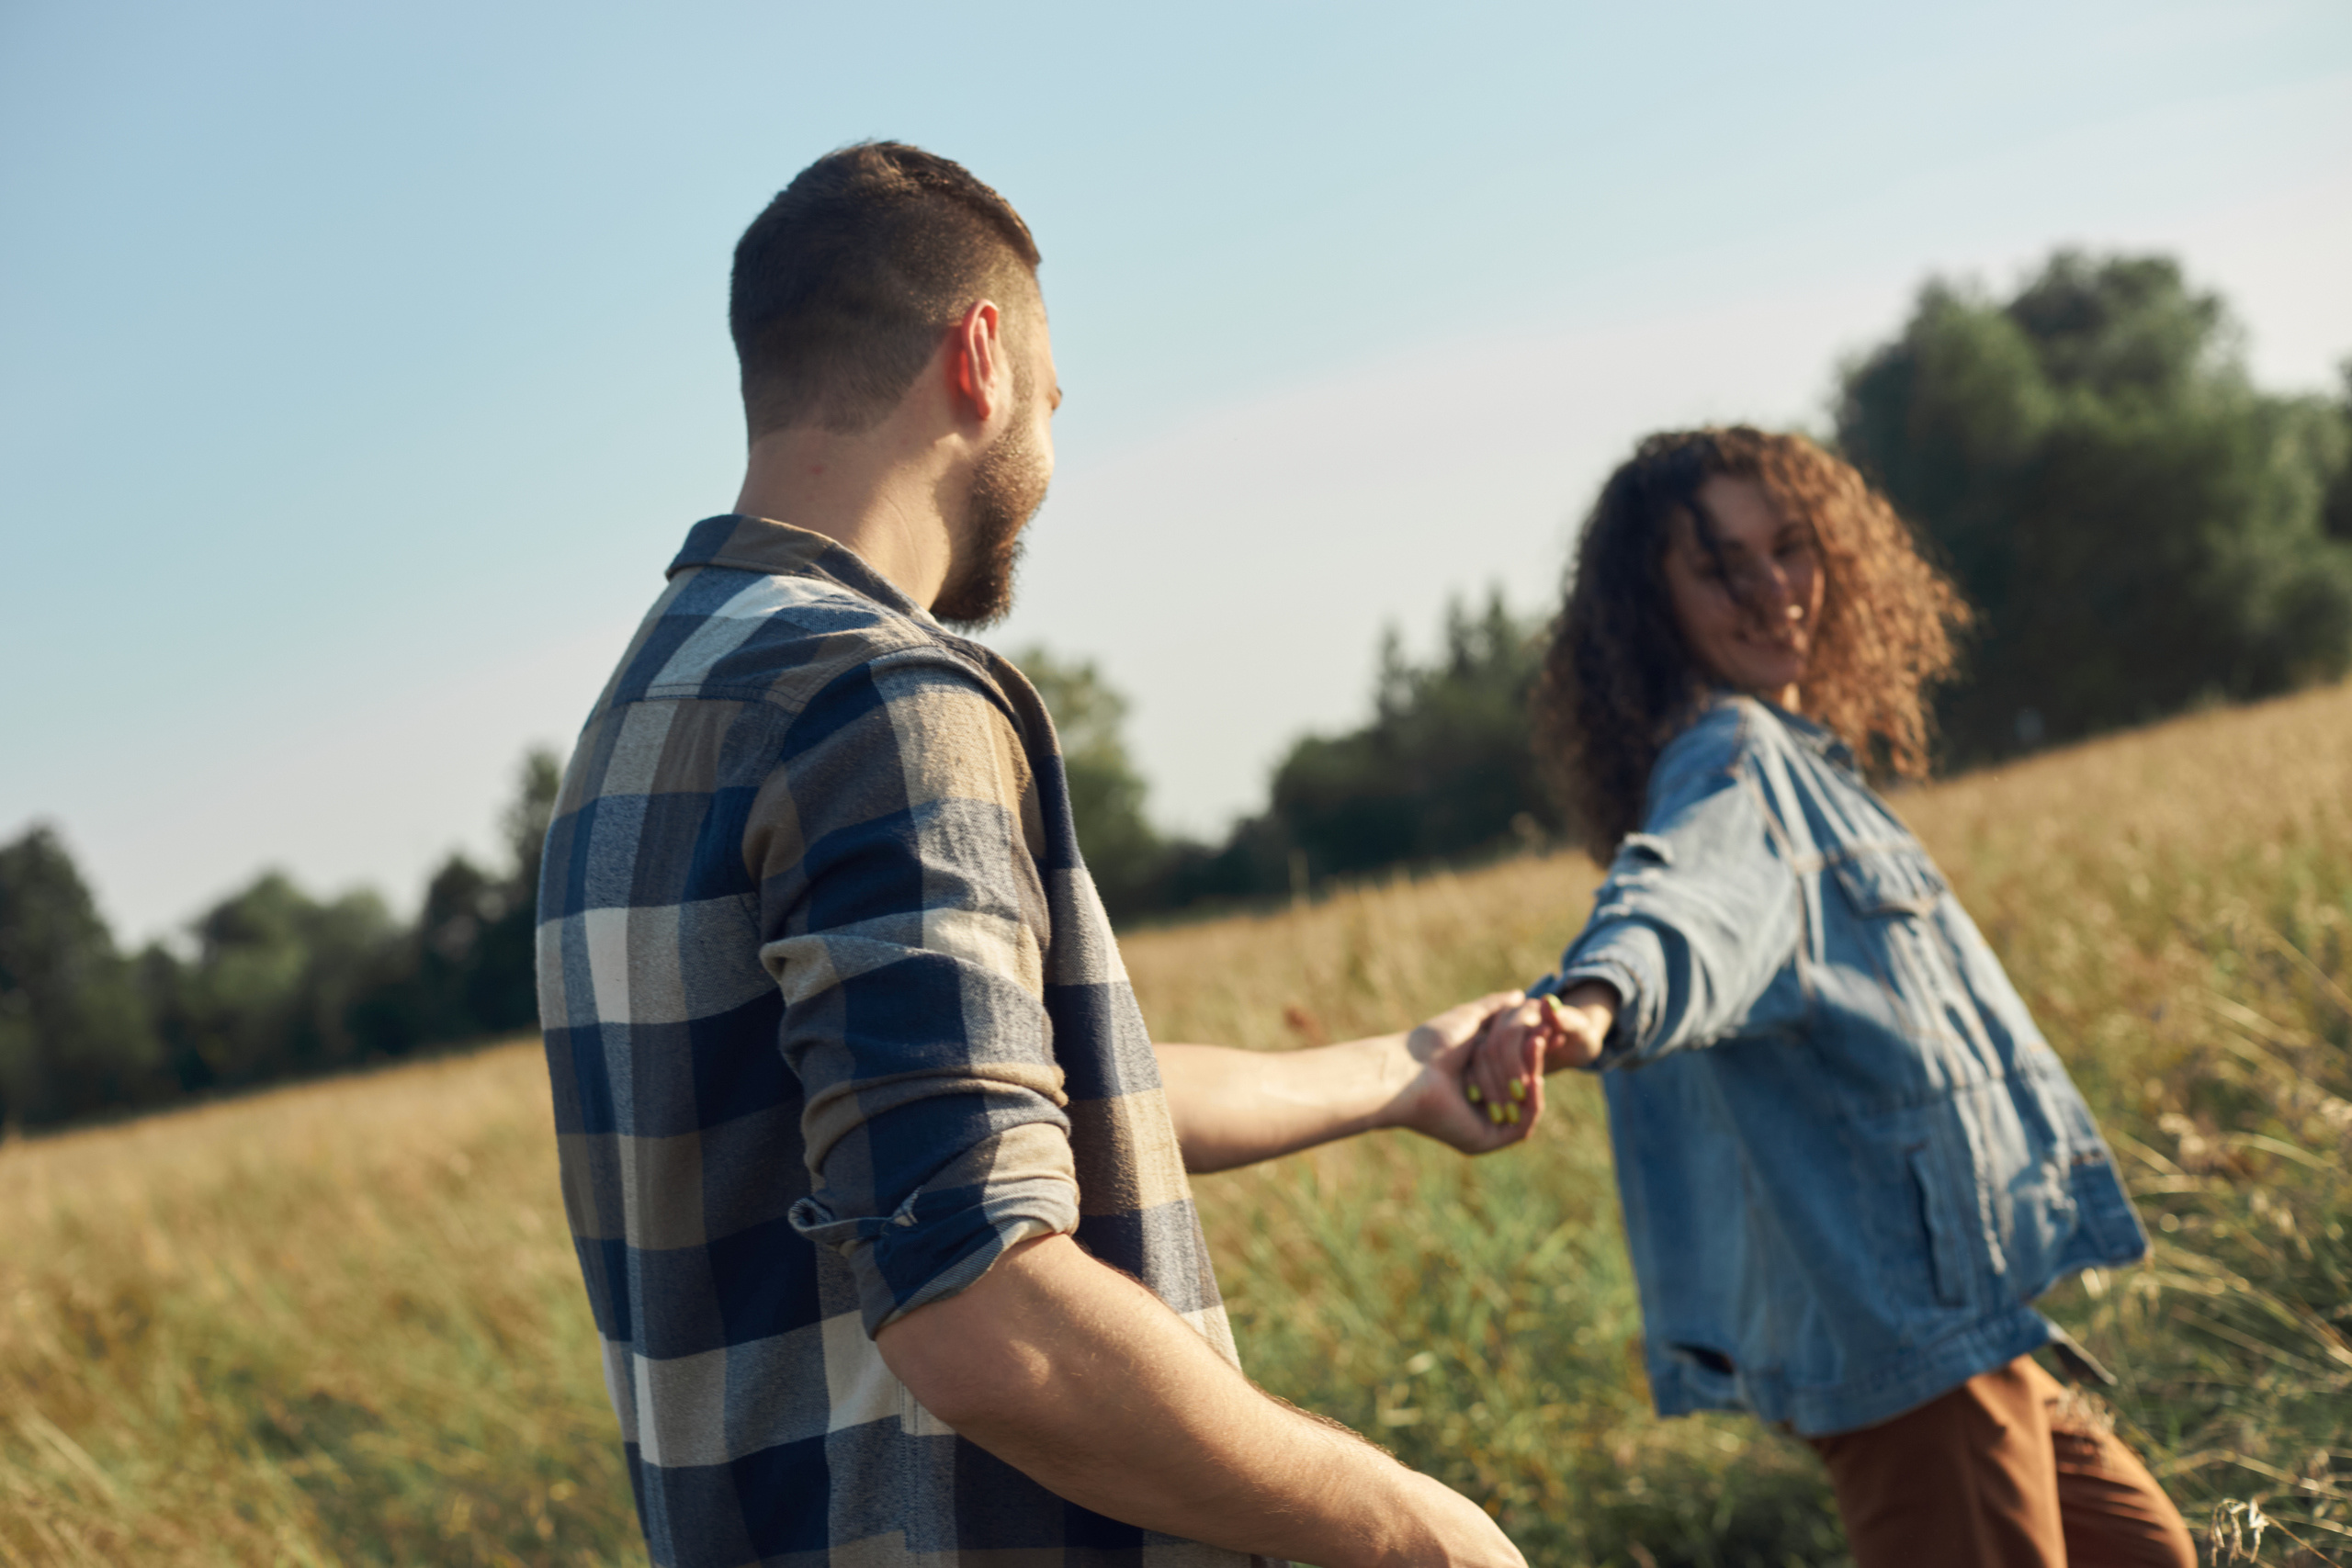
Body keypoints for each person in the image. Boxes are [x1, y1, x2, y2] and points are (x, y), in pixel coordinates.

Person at [535, 141, 1530, 1568]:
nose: (1050, 459)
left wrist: (1400, 1070)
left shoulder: (643, 718)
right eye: (1055, 404)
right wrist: (1414, 1528)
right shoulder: (879, 697)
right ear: (981, 357)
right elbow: (977, 1293)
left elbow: (974, 1115)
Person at [1466, 427, 2196, 1567]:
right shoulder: (1735, 765)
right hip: (1901, 1331)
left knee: (2146, 1555)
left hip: (1963, 1316)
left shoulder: (1796, 764)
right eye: (1718, 566)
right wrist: (1593, 1004)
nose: (1769, 591)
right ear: (1649, 604)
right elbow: (1678, 911)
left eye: (1789, 548)